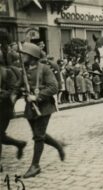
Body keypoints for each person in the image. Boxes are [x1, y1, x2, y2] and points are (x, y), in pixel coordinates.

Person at [19, 42, 65, 178]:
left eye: (25, 54)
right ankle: (58, 146)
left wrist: (37, 96)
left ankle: (35, 166)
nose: (22, 57)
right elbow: (17, 86)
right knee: (39, 134)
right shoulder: (25, 69)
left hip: (44, 107)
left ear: (32, 56)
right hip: (30, 108)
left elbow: (54, 87)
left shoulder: (44, 69)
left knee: (38, 136)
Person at [0, 34, 27, 173]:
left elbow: (11, 90)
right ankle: (19, 144)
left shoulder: (7, 72)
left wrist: (2, 95)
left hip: (3, 108)